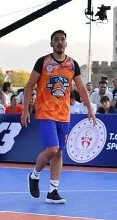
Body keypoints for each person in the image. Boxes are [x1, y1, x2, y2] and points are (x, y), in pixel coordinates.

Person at [23, 30, 95, 202]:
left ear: (66, 43)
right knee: (52, 149)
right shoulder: (43, 62)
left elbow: (81, 88)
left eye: (62, 39)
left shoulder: (72, 64)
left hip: (64, 114)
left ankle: (53, 191)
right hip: (45, 112)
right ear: (51, 44)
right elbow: (29, 85)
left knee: (59, 153)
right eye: (56, 40)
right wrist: (25, 110)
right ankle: (34, 175)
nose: (60, 42)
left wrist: (90, 109)